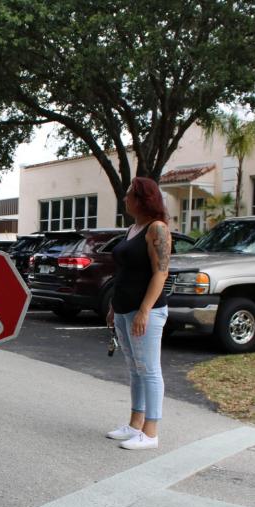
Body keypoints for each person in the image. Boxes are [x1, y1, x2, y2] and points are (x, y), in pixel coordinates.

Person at [104, 177, 171, 450]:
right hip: (123, 308)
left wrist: (144, 311)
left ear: (143, 199)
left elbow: (161, 272)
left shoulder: (157, 229)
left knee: (149, 370)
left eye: (129, 194)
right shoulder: (133, 228)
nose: (125, 199)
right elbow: (125, 272)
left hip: (146, 311)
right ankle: (135, 424)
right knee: (135, 369)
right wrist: (112, 307)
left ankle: (151, 432)